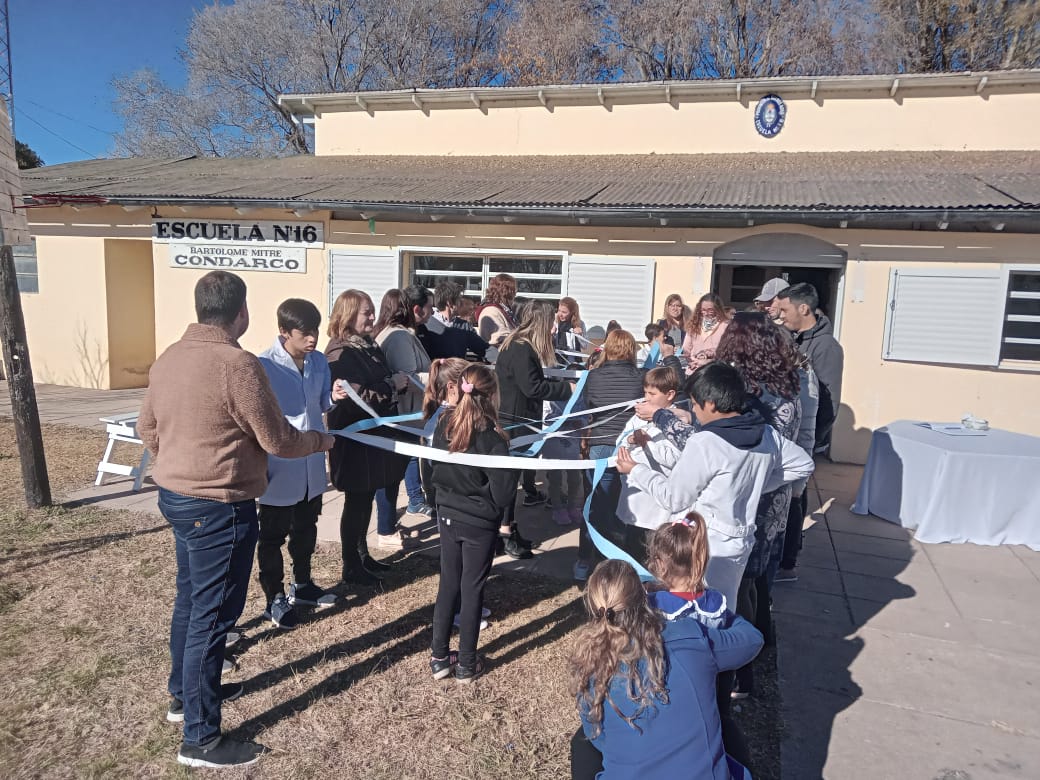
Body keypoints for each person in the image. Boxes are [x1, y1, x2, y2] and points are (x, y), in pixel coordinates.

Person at [138, 271, 334, 769]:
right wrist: (321, 442)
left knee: (191, 601)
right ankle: (201, 738)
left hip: (177, 498)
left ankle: (183, 697)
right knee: (211, 617)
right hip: (218, 506)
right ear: (241, 312)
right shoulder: (237, 364)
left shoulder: (169, 357)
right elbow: (278, 439)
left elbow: (146, 428)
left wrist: (178, 464)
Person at [618, 361, 814, 610]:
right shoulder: (766, 434)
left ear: (710, 403)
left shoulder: (706, 443)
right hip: (740, 540)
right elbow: (803, 463)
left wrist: (636, 470)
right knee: (725, 607)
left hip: (703, 543)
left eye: (694, 404)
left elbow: (672, 498)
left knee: (696, 608)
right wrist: (752, 484)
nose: (693, 410)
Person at [569, 558, 762, 780]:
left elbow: (598, 739)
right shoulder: (690, 636)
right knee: (726, 727)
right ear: (645, 596)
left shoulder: (590, 666)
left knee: (582, 741)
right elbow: (752, 639)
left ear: (594, 609)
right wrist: (723, 614)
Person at [714, 312, 802, 698]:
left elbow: (723, 446)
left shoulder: (748, 396)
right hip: (777, 496)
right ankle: (759, 643)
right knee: (756, 579)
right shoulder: (787, 385)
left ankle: (739, 671)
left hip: (748, 498)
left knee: (741, 583)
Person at [256, 299, 346, 630]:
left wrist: (334, 397)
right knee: (272, 535)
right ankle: (274, 598)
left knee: (306, 527)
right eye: (304, 333)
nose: (313, 339)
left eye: (315, 332)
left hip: (311, 459)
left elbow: (320, 403)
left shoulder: (319, 361)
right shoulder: (264, 365)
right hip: (279, 463)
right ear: (284, 331)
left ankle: (303, 584)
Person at [429, 364, 515, 684]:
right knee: (472, 587)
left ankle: (439, 657)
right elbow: (503, 493)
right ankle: (466, 662)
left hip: (448, 515)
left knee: (449, 583)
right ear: (492, 395)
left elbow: (431, 468)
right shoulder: (493, 438)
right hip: (477, 522)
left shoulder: (444, 424)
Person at [326, 290, 411, 584]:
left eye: (373, 311)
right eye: (367, 312)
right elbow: (356, 395)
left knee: (365, 500)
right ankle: (351, 564)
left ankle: (362, 557)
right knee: (356, 501)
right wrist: (392, 385)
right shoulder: (341, 352)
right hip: (355, 440)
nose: (373, 317)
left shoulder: (367, 344)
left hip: (372, 437)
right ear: (348, 314)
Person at [495, 300, 573, 558]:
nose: (554, 329)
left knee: (510, 479)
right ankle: (504, 532)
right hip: (515, 424)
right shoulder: (521, 348)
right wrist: (567, 389)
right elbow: (533, 387)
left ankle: (507, 527)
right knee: (508, 481)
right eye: (551, 323)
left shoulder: (520, 345)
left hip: (516, 421)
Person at [576, 329, 644, 581]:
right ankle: (620, 562)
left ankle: (584, 560)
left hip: (601, 445)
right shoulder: (641, 377)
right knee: (629, 507)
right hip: (631, 448)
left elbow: (588, 408)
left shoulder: (593, 377)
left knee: (595, 505)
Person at [374, 286, 435, 522]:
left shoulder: (402, 333)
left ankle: (413, 501)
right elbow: (408, 378)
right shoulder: (399, 337)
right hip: (404, 413)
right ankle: (400, 513)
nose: (432, 313)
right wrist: (441, 377)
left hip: (405, 413)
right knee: (402, 462)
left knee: (406, 458)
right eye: (430, 307)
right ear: (414, 309)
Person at [615, 367, 684, 563]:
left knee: (654, 557)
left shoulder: (677, 422)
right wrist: (630, 440)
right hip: (634, 497)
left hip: (657, 505)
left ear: (670, 394)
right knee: (632, 554)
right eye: (645, 392)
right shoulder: (638, 417)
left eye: (652, 394)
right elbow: (619, 443)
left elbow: (675, 459)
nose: (646, 398)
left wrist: (647, 444)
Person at [776, 283, 844, 457]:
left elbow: (829, 403)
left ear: (803, 309)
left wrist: (812, 442)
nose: (781, 316)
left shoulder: (826, 346)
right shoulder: (789, 338)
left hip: (803, 443)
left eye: (784, 310)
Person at [420, 281, 492, 361]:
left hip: (458, 369)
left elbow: (485, 349)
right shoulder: (425, 325)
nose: (462, 304)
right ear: (450, 303)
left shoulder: (465, 327)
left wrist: (500, 359)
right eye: (460, 301)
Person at [683, 293, 731, 373]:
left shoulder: (726, 326)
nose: (706, 313)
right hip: (694, 371)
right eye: (703, 310)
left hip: (715, 371)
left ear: (717, 309)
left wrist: (709, 359)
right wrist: (692, 361)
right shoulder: (693, 325)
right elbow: (686, 349)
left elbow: (728, 351)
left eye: (710, 310)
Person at [476, 272, 518, 348]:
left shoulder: (504, 309)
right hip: (498, 353)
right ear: (506, 291)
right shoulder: (490, 311)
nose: (515, 293)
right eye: (513, 290)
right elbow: (498, 339)